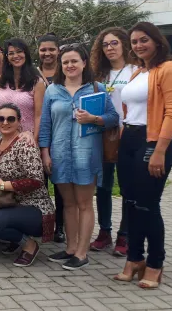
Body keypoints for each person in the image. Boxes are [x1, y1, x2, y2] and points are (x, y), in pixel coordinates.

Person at [114, 22, 172, 289]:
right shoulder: (138, 72)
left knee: (147, 206)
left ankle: (155, 263)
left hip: (153, 142)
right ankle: (134, 260)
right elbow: (129, 110)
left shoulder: (170, 70)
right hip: (129, 140)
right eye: (133, 42)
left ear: (156, 41)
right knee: (130, 204)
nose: (138, 45)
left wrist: (159, 150)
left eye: (144, 40)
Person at [39, 44, 119, 270]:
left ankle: (82, 252)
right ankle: (71, 248)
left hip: (87, 155)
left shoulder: (96, 88)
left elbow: (113, 118)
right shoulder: (52, 90)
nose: (70, 65)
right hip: (60, 155)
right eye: (65, 62)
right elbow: (45, 125)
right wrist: (45, 152)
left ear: (84, 63)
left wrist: (94, 118)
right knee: (69, 204)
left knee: (84, 204)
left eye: (74, 61)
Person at [0, 103, 56, 267]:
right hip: (11, 202)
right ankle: (15, 238)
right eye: (0, 118)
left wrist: (3, 186)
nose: (5, 122)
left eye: (11, 119)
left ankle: (29, 245)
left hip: (34, 207)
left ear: (19, 121)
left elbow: (36, 180)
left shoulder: (25, 144)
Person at [89, 28, 137, 255]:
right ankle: (104, 232)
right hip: (103, 135)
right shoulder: (99, 74)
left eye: (114, 43)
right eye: (105, 45)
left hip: (128, 134)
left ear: (125, 44)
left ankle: (125, 235)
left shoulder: (136, 71)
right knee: (103, 187)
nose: (110, 48)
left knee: (128, 187)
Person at [35, 33, 65, 242]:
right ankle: (43, 224)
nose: (47, 53)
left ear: (58, 50)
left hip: (62, 137)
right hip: (39, 136)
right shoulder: (33, 74)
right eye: (43, 49)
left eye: (51, 49)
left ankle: (61, 226)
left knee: (62, 186)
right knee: (40, 186)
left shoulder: (66, 73)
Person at [0, 38, 46, 137]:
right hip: (3, 138)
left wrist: (35, 141)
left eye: (19, 51)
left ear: (26, 54)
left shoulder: (37, 82)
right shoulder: (0, 81)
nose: (15, 56)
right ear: (7, 57)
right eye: (11, 53)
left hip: (27, 139)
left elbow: (39, 116)